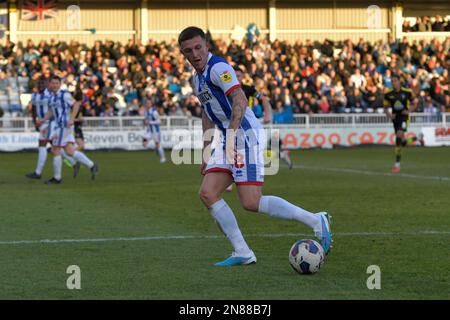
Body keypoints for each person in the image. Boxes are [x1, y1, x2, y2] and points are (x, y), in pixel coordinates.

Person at [178, 26, 332, 267]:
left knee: (251, 202)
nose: (195, 54)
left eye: (198, 47)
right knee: (207, 193)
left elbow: (239, 99)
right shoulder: (197, 79)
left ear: (207, 45)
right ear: (183, 53)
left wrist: (230, 138)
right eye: (189, 50)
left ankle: (315, 220)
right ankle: (242, 251)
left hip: (245, 136)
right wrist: (207, 151)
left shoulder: (219, 68)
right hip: (229, 139)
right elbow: (207, 114)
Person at [37, 75, 98, 184]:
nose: (54, 85)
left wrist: (71, 119)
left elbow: (75, 105)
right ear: (49, 84)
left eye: (57, 83)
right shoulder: (51, 97)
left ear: (60, 84)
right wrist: (43, 119)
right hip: (59, 126)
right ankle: (92, 165)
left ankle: (57, 178)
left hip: (64, 125)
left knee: (55, 150)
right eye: (53, 83)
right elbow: (52, 111)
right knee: (69, 151)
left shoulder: (64, 95)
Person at [25, 78, 78, 180]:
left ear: (46, 84)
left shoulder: (50, 95)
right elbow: (34, 109)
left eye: (43, 83)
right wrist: (36, 122)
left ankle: (38, 172)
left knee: (44, 144)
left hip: (51, 123)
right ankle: (73, 163)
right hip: (43, 123)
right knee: (55, 147)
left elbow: (54, 109)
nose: (41, 85)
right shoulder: (34, 95)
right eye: (39, 83)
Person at [383, 75, 423, 173]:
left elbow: (415, 103)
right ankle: (416, 138)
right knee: (401, 142)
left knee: (398, 137)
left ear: (399, 82)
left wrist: (408, 111)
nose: (393, 83)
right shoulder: (388, 94)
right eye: (392, 81)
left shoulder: (407, 92)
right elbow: (385, 107)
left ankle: (397, 165)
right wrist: (389, 115)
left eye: (395, 81)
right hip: (395, 118)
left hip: (404, 117)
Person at [143, 99, 166, 163]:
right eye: (147, 103)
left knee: (157, 144)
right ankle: (156, 149)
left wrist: (150, 122)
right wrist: (145, 122)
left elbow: (159, 121)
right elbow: (146, 120)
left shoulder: (154, 112)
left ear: (151, 104)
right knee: (144, 143)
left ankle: (163, 158)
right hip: (149, 131)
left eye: (149, 103)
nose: (147, 104)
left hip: (156, 131)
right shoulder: (146, 112)